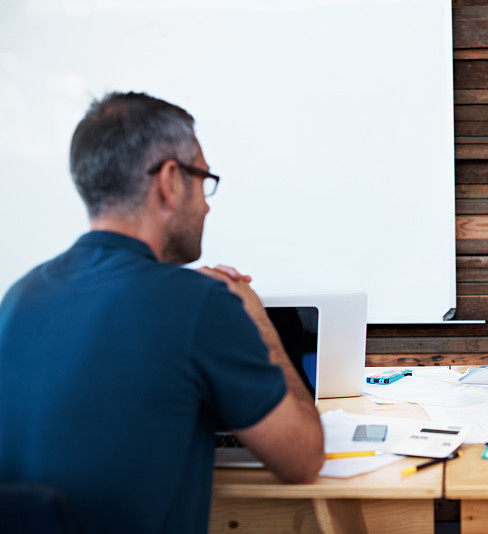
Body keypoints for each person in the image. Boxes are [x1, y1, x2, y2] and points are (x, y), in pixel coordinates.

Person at [0, 92, 324, 534]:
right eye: (204, 179)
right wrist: (256, 319)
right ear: (170, 181)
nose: (207, 203)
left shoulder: (19, 297)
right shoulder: (200, 303)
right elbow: (302, 458)